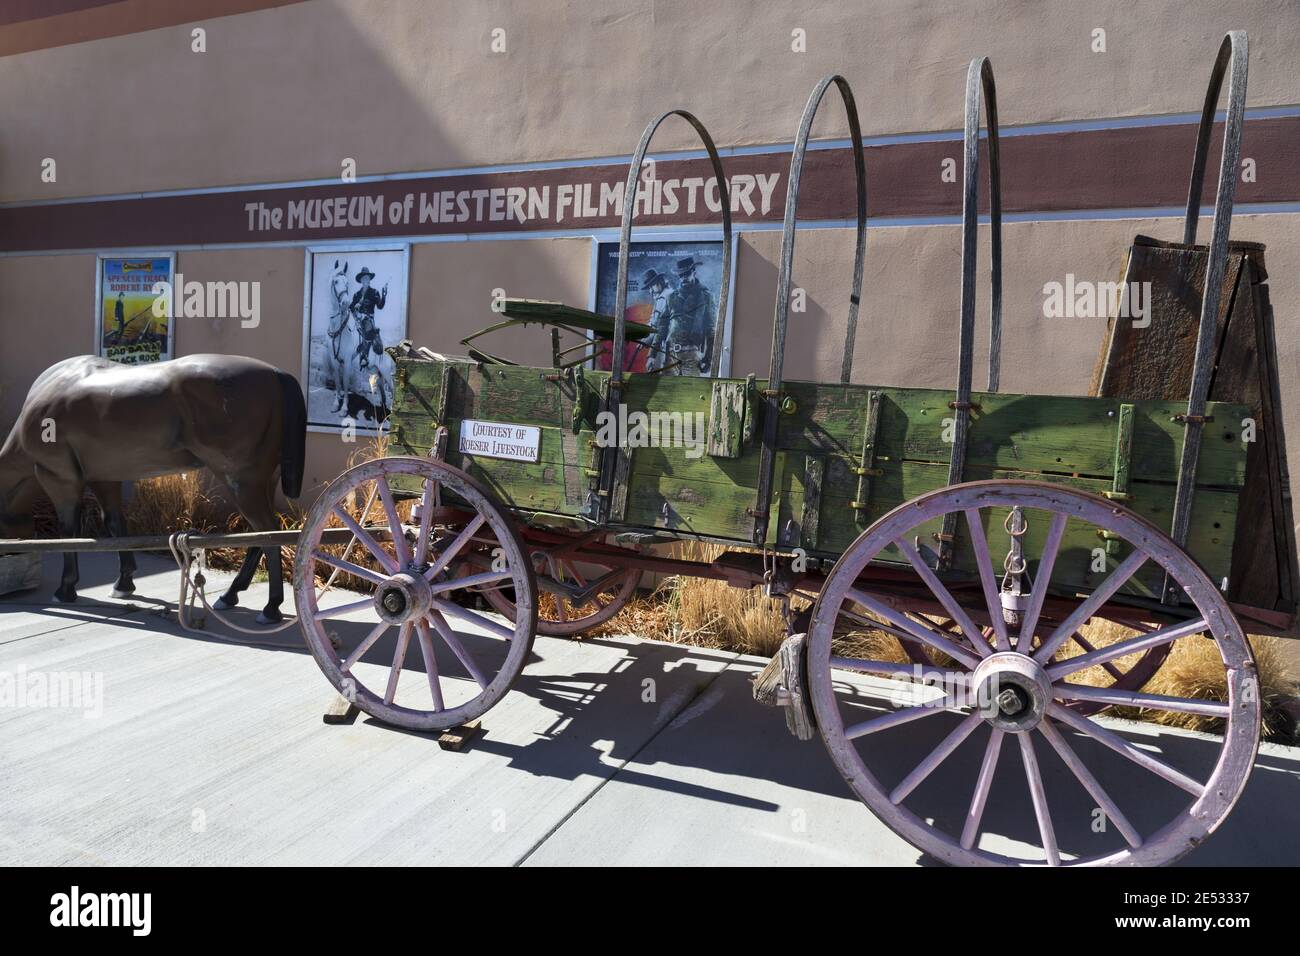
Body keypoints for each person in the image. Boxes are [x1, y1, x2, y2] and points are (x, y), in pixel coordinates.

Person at [663, 256, 715, 375]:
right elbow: (662, 326)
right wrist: (652, 355)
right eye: (680, 275)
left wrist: (708, 358)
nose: (683, 278)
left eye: (686, 274)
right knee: (666, 391)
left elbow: (711, 329)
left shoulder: (705, 296)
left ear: (694, 272)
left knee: (690, 390)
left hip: (692, 353)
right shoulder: (671, 297)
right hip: (670, 353)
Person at [350, 267, 388, 369]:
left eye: (367, 278)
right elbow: (351, 307)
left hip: (368, 320)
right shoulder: (356, 295)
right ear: (361, 280)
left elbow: (380, 306)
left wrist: (384, 296)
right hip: (357, 320)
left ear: (369, 280)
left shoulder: (374, 292)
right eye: (363, 278)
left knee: (368, 328)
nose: (365, 280)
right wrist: (356, 314)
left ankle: (364, 357)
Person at [639, 268, 673, 373]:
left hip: (669, 347)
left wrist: (646, 341)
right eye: (649, 287)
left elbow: (659, 327)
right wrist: (644, 338)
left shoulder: (666, 297)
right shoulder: (660, 297)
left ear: (659, 282)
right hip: (662, 345)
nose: (650, 291)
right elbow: (653, 322)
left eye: (651, 286)